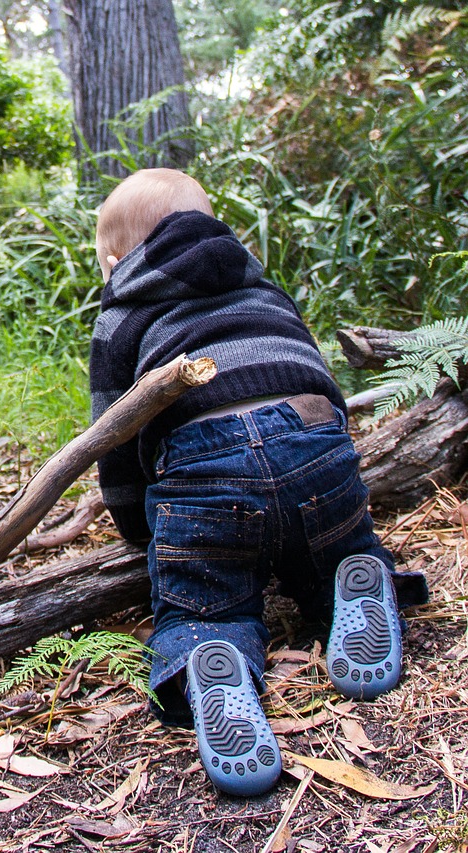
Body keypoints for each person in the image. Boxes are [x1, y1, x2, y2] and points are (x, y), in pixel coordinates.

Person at [89, 168, 428, 797]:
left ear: (114, 260)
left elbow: (115, 441)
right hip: (314, 445)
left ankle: (208, 653)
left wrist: (142, 533)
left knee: (206, 598)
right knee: (331, 547)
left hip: (204, 473)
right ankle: (351, 578)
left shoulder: (121, 312)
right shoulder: (262, 285)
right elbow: (315, 375)